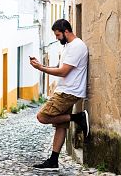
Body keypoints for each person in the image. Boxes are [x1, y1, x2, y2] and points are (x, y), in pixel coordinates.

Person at [29, 19, 89, 170]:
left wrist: (41, 68)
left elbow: (63, 71)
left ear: (66, 31)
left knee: (42, 116)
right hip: (66, 89)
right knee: (60, 126)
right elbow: (60, 67)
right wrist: (41, 65)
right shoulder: (69, 46)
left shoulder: (77, 46)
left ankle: (78, 117)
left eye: (58, 35)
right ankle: (53, 161)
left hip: (68, 92)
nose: (56, 38)